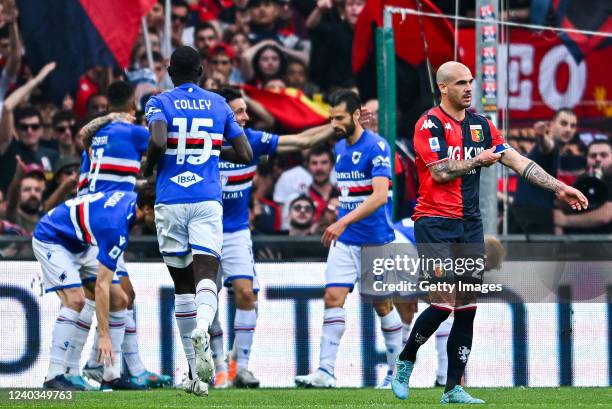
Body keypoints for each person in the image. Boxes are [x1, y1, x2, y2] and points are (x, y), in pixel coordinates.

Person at [392, 61, 587, 404]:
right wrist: (477, 161)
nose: (469, 88)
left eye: (471, 82)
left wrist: (559, 188)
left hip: (470, 224)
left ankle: (453, 387)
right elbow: (439, 173)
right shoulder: (429, 124)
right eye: (461, 83)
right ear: (444, 88)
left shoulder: (482, 126)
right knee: (442, 303)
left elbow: (516, 160)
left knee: (467, 305)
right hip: (435, 221)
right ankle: (406, 359)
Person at [143, 45, 253, 397]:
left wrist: (149, 168)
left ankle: (193, 372)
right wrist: (210, 145)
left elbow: (158, 140)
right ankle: (203, 330)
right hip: (206, 199)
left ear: (169, 70)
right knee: (207, 276)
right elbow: (246, 153)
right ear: (202, 70)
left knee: (182, 286)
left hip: (171, 199)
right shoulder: (219, 104)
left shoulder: (158, 101)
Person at [210, 87, 336, 388]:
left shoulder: (252, 140)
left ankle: (239, 367)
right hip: (202, 231)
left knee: (246, 294)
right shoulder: (203, 143)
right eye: (239, 111)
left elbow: (302, 140)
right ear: (224, 115)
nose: (246, 116)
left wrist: (336, 126)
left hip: (236, 231)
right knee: (206, 302)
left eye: (244, 110)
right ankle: (216, 367)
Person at [295, 90, 402, 389]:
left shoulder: (377, 147)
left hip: (375, 240)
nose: (334, 123)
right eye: (331, 118)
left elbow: (380, 196)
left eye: (340, 117)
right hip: (347, 240)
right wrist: (339, 209)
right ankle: (325, 371)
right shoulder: (340, 147)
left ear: (356, 115)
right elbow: (350, 193)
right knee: (332, 298)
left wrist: (341, 219)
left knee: (382, 305)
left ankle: (396, 372)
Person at [73, 81, 170, 389]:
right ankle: (99, 366)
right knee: (112, 296)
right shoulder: (132, 132)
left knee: (125, 295)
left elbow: (102, 178)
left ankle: (123, 367)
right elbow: (162, 142)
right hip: (104, 223)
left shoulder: (98, 136)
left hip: (89, 216)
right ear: (132, 107)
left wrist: (138, 184)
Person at [32, 188, 156, 390]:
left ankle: (111, 375)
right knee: (75, 300)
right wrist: (104, 336)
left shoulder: (134, 199)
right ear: (147, 208)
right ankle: (53, 375)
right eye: (162, 212)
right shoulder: (116, 228)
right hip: (52, 238)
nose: (165, 219)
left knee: (120, 301)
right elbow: (101, 286)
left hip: (81, 241)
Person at [509, 108, 580, 234]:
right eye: (563, 123)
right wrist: (541, 136)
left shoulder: (555, 152)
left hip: (527, 218)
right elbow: (547, 147)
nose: (568, 129)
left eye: (572, 126)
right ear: (551, 126)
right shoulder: (550, 147)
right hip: (533, 220)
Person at [554, 140, 612, 233]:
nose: (597, 159)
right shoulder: (582, 179)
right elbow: (570, 207)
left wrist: (565, 220)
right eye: (593, 156)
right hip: (581, 241)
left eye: (603, 155)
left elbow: (605, 215)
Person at [306, 145, 338, 223]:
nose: (319, 168)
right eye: (314, 163)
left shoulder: (344, 196)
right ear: (308, 166)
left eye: (324, 162)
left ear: (332, 165)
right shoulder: (303, 198)